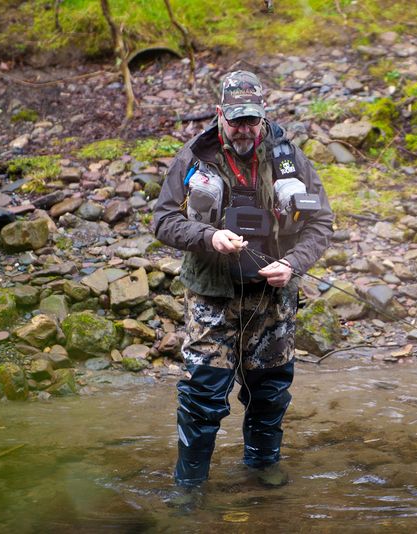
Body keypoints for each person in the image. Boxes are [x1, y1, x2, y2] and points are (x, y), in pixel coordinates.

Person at [152, 70, 333, 489]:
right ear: (220, 114)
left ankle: (261, 473)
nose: (245, 130)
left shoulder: (290, 157)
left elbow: (321, 222)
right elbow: (162, 221)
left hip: (273, 298)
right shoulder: (195, 157)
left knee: (269, 394)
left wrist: (293, 265)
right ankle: (189, 487)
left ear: (264, 115)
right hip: (213, 298)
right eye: (236, 120)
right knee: (203, 397)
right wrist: (208, 236)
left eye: (252, 121)